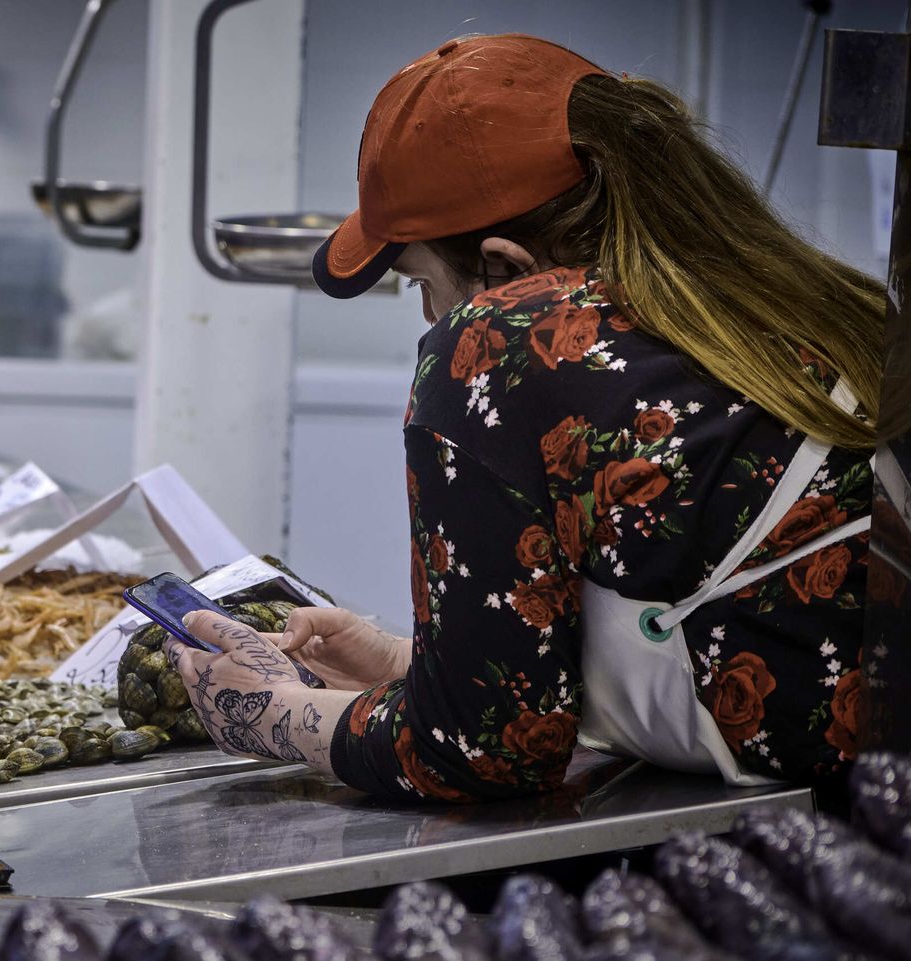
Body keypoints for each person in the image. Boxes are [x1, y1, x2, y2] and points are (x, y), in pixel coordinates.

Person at [167, 34, 882, 802]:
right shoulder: (794, 301)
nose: (431, 318)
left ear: (504, 269)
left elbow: (482, 754)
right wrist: (411, 664)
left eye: (419, 282)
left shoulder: (499, 337)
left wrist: (270, 712)